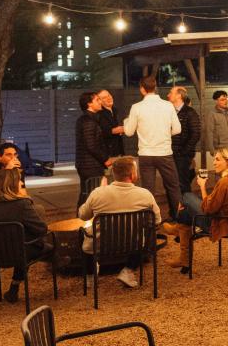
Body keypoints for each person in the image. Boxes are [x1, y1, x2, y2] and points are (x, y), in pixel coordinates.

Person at [79, 156, 163, 288]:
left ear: (114, 173)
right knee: (144, 235)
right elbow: (157, 220)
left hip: (101, 244)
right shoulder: (145, 194)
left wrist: (99, 191)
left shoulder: (98, 193)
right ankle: (128, 270)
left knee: (83, 234)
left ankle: (90, 276)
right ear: (132, 174)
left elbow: (83, 215)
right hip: (132, 244)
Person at [164, 147, 228, 272]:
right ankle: (179, 232)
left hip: (220, 224)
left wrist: (202, 186)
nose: (214, 163)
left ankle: (178, 231)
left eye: (217, 160)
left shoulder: (225, 182)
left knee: (186, 197)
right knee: (187, 212)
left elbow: (208, 209)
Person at [0, 168, 52, 303]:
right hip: (17, 253)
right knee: (36, 244)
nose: (22, 183)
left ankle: (13, 289)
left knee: (19, 243)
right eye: (19, 181)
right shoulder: (21, 204)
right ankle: (56, 259)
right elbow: (41, 229)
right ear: (11, 185)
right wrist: (27, 199)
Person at [123, 75, 182, 221]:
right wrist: (164, 134)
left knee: (148, 191)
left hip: (146, 154)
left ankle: (150, 223)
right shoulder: (168, 105)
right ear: (155, 87)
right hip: (165, 153)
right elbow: (177, 129)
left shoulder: (136, 107)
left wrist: (126, 121)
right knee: (173, 187)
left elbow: (129, 132)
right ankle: (180, 220)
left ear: (142, 89)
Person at [75, 91, 113, 210]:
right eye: (97, 100)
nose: (100, 102)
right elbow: (91, 145)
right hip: (90, 165)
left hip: (88, 164)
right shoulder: (88, 121)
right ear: (89, 104)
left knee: (88, 194)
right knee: (89, 196)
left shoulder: (89, 119)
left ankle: (84, 222)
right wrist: (105, 159)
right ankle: (83, 223)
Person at [168, 87, 201, 193]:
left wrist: (183, 152)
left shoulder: (190, 112)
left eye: (171, 92)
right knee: (171, 184)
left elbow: (196, 134)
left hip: (182, 156)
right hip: (169, 154)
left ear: (179, 95)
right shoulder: (169, 112)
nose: (168, 95)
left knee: (183, 184)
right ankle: (175, 209)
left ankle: (186, 208)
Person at [202, 90, 228, 154]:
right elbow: (209, 132)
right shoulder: (212, 114)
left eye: (226, 99)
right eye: (222, 99)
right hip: (220, 148)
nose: (225, 101)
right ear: (216, 101)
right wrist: (211, 149)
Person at [95, 89, 125, 157]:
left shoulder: (115, 110)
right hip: (108, 153)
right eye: (104, 97)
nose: (108, 98)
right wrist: (127, 128)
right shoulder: (99, 114)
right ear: (100, 101)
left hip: (119, 149)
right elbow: (105, 131)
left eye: (109, 95)